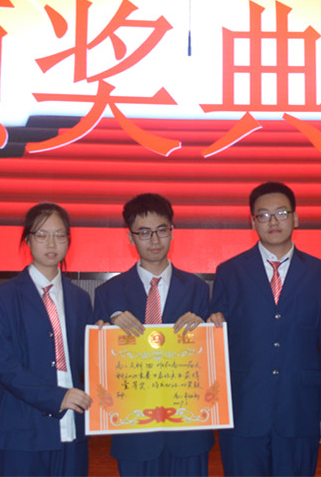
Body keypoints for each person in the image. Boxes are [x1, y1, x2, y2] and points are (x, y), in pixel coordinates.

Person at [208, 181, 321, 476]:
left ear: (295, 218)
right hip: (244, 410)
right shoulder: (229, 272)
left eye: (281, 213)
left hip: (300, 409)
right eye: (264, 215)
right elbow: (217, 341)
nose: (273, 221)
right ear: (253, 222)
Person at [93, 193, 214, 476]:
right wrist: (104, 333)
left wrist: (206, 329)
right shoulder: (108, 294)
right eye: (144, 233)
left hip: (189, 430)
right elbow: (99, 365)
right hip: (134, 431)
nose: (155, 240)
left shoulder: (197, 289)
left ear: (172, 231)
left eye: (161, 230)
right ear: (130, 237)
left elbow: (210, 359)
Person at [0, 202, 94, 476]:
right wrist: (57, 397)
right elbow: (5, 366)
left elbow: (88, 362)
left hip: (72, 428)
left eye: (59, 235)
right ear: (28, 240)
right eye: (41, 235)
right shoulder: (3, 298)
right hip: (21, 431)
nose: (51, 243)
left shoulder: (80, 299)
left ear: (68, 240)